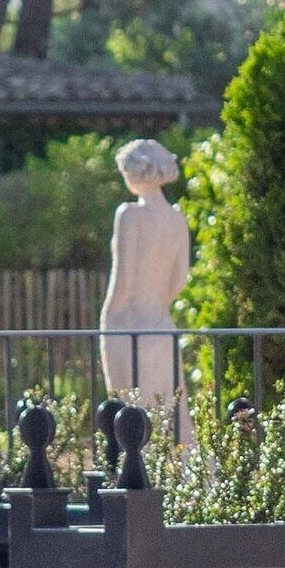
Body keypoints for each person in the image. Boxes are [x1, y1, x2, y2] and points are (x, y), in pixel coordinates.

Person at [98, 138, 190, 402]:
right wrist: (158, 305)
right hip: (163, 325)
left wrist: (108, 318)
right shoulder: (177, 218)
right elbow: (179, 280)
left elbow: (123, 281)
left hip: (129, 324)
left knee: (131, 420)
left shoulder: (130, 214)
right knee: (171, 423)